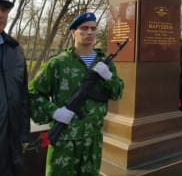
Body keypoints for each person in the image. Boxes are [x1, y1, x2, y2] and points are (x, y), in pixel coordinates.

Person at [29, 12, 124, 176]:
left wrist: (108, 77)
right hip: (64, 139)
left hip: (92, 139)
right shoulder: (58, 62)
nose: (89, 32)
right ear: (73, 32)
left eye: (93, 29)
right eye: (84, 28)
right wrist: (54, 111)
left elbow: (117, 92)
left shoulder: (103, 62)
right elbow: (32, 94)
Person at [0, 0, 30, 176]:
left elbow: (23, 95)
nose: (1, 14)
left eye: (4, 10)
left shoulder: (15, 50)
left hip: (12, 140)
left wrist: (25, 134)